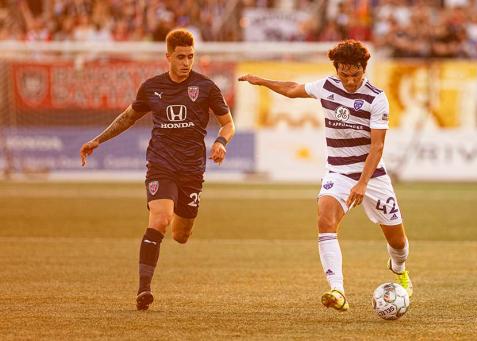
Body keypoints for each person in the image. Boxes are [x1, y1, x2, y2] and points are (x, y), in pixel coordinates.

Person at [238, 39, 412, 312]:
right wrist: (261, 80)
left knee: (398, 243)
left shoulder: (376, 98)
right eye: (344, 74)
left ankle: (400, 270)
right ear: (337, 69)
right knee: (325, 217)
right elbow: (293, 89)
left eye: (355, 74)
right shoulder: (327, 86)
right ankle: (337, 290)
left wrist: (363, 183)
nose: (350, 80)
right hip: (339, 172)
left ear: (364, 70)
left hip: (372, 175)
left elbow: (377, 146)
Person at [79, 28, 235, 311]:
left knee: (181, 235)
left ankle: (177, 210)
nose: (186, 62)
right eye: (180, 57)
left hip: (192, 169)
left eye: (190, 57)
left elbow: (228, 123)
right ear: (168, 57)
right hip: (161, 164)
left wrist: (221, 142)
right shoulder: (152, 87)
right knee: (160, 220)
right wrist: (97, 140)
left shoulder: (207, 87)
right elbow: (128, 117)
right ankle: (143, 290)